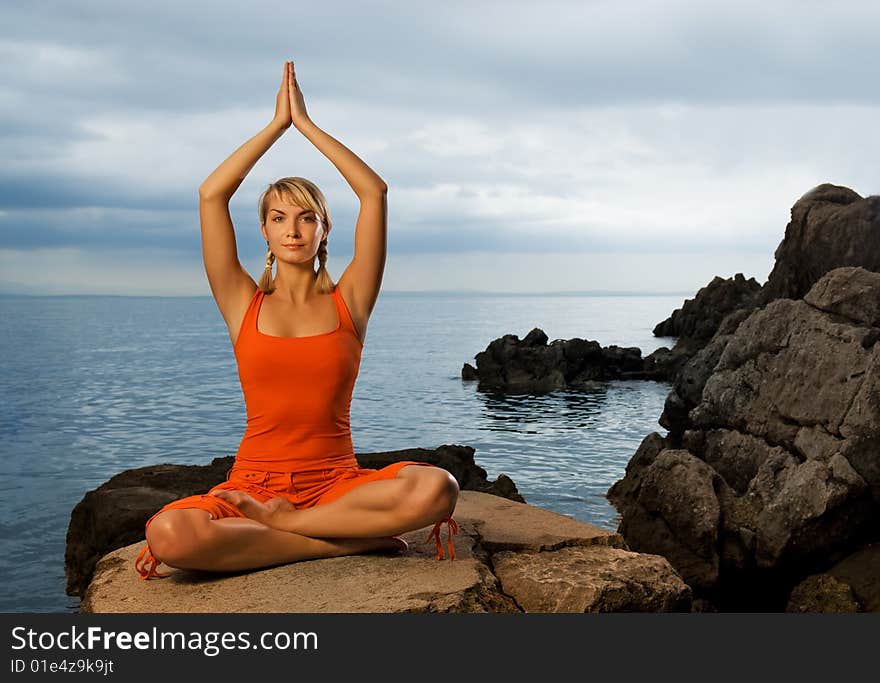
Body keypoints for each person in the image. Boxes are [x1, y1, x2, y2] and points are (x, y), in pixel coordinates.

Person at [135, 60, 459, 580]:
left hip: (337, 483)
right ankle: (336, 545)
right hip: (254, 484)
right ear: (262, 230)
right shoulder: (243, 301)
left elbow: (373, 192)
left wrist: (306, 126)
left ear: (323, 229)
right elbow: (210, 194)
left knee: (438, 487)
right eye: (280, 218)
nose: (293, 230)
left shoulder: (349, 300)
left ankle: (297, 524)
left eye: (307, 217)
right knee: (170, 535)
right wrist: (275, 126)